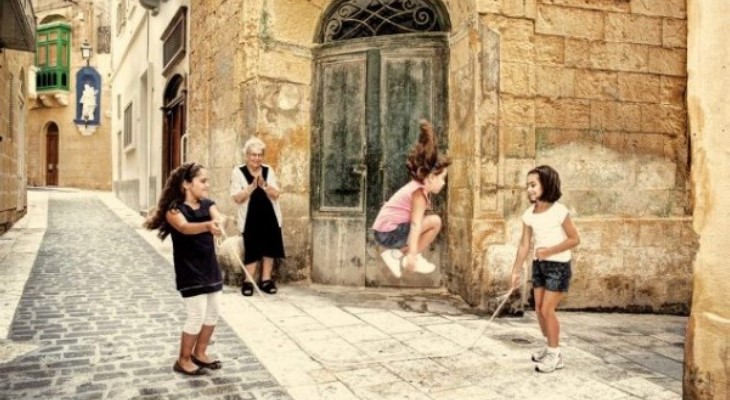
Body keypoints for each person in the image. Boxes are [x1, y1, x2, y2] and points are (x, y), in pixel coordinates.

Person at [144, 162, 224, 376]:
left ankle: (200, 353)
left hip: (209, 267)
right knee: (196, 316)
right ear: (187, 184)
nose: (207, 185)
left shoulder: (208, 204)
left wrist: (219, 221)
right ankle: (183, 359)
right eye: (203, 181)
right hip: (190, 270)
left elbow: (218, 215)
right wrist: (207, 226)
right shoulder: (174, 210)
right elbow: (184, 227)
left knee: (213, 313)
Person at [509, 165, 580, 373]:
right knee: (539, 309)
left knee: (548, 309)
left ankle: (555, 354)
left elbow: (575, 239)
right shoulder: (529, 214)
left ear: (546, 184)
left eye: (533, 185)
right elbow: (524, 245)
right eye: (527, 186)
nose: (529, 189)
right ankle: (550, 347)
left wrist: (549, 251)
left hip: (558, 266)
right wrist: (515, 271)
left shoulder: (560, 211)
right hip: (539, 265)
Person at [372, 120, 452, 278]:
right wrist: (413, 254)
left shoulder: (417, 188)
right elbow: (415, 225)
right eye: (442, 178)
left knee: (431, 221)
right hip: (388, 233)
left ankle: (395, 255)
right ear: (430, 178)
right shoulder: (418, 194)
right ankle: (410, 256)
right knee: (435, 221)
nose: (443, 183)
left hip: (386, 231)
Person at [230, 137, 285, 296]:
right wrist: (251, 188)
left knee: (270, 247)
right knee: (252, 247)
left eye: (260, 155)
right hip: (250, 217)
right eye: (253, 154)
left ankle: (266, 280)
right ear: (246, 155)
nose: (257, 158)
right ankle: (248, 281)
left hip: (270, 215)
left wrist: (264, 185)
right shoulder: (238, 171)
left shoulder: (268, 170)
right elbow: (236, 198)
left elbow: (276, 194)